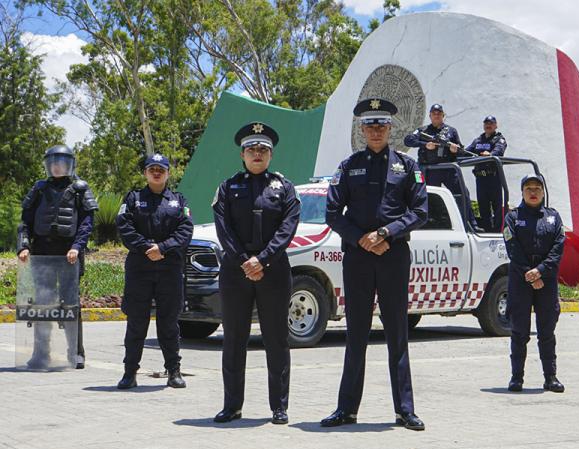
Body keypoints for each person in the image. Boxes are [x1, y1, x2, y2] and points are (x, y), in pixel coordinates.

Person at [321, 98, 428, 430]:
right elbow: (332, 213)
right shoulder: (348, 165)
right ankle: (346, 410)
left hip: (394, 255)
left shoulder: (407, 168)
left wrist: (385, 233)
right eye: (370, 125)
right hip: (358, 258)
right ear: (362, 130)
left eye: (382, 125)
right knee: (356, 335)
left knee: (397, 332)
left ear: (391, 128)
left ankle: (405, 410)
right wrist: (362, 239)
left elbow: (420, 211)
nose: (376, 130)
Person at [212, 122, 300, 425]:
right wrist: (244, 261)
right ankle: (232, 406)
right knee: (234, 339)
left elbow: (287, 229)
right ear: (242, 154)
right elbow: (223, 229)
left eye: (263, 149)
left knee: (276, 339)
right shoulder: (227, 187)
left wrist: (261, 260)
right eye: (252, 149)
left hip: (274, 272)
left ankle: (279, 406)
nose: (257, 153)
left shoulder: (285, 188)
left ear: (271, 154)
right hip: (236, 273)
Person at [16, 144, 98, 370]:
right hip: (42, 252)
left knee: (71, 304)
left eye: (61, 162)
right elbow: (25, 222)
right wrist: (23, 246)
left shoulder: (80, 188)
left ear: (70, 164)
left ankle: (76, 354)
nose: (56, 166)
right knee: (43, 303)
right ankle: (41, 354)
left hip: (69, 255)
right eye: (52, 162)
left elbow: (86, 223)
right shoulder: (39, 188)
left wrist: (77, 246)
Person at [115, 154, 193, 389]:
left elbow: (185, 230)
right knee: (136, 322)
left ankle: (174, 371)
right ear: (146, 173)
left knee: (169, 323)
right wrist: (146, 247)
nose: (156, 172)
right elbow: (124, 226)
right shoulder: (133, 199)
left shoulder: (179, 201)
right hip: (140, 268)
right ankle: (130, 372)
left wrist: (163, 248)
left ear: (168, 173)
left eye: (161, 169)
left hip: (169, 268)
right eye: (152, 169)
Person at [503, 174, 565, 393]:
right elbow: (513, 248)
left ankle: (551, 377)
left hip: (546, 282)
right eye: (528, 188)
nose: (533, 192)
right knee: (519, 331)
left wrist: (540, 272)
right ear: (522, 191)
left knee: (547, 332)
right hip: (520, 281)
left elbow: (558, 248)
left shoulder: (553, 217)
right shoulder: (512, 217)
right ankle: (516, 378)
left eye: (537, 188)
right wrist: (530, 275)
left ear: (543, 191)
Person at [404, 104, 481, 231]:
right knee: (432, 198)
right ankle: (432, 225)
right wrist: (425, 145)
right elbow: (408, 140)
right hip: (430, 170)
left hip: (448, 169)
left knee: (462, 193)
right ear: (430, 116)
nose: (436, 115)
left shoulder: (451, 131)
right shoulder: (423, 130)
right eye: (434, 113)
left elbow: (461, 150)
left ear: (443, 116)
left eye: (439, 113)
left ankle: (471, 224)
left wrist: (455, 149)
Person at [465, 116, 508, 232]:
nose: (488, 125)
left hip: (493, 178)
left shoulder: (499, 139)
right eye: (486, 123)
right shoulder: (478, 140)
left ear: (495, 125)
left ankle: (498, 233)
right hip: (480, 179)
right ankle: (487, 231)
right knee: (483, 208)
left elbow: (499, 150)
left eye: (491, 123)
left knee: (497, 208)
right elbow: (467, 151)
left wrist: (490, 154)